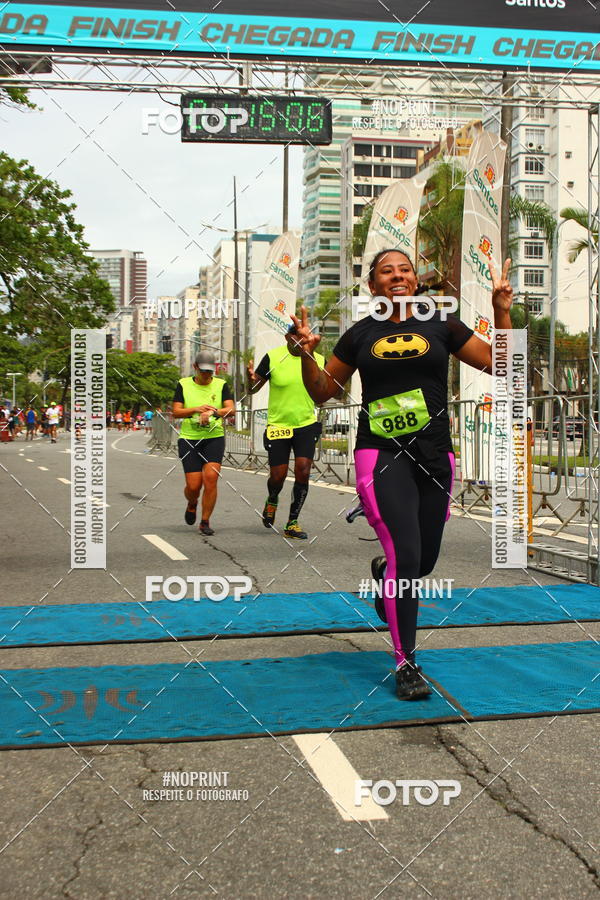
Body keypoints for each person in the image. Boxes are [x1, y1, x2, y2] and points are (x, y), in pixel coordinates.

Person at [291, 249, 514, 700]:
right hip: (381, 452)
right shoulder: (359, 335)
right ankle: (407, 662)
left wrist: (500, 310)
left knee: (423, 561)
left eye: (404, 270)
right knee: (408, 558)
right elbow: (322, 393)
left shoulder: (441, 325)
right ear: (372, 286)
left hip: (434, 453)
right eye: (386, 272)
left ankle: (384, 572)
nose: (397, 276)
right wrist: (304, 356)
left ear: (416, 281)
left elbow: (501, 364)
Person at [247, 324, 325, 540]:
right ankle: (272, 498)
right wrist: (249, 379)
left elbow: (324, 389)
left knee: (303, 469)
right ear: (288, 337)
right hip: (278, 426)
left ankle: (292, 522)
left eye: (306, 337)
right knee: (278, 476)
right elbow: (254, 389)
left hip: (306, 424)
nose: (302, 340)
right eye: (298, 336)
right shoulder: (272, 358)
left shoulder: (318, 359)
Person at [172, 350, 234, 536]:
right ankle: (192, 503)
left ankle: (205, 521)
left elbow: (231, 409)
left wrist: (214, 412)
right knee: (193, 486)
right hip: (189, 439)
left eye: (210, 371)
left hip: (213, 438)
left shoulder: (222, 385)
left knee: (211, 480)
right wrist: (196, 410)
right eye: (203, 371)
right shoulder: (183, 384)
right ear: (195, 368)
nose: (207, 375)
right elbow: (176, 411)